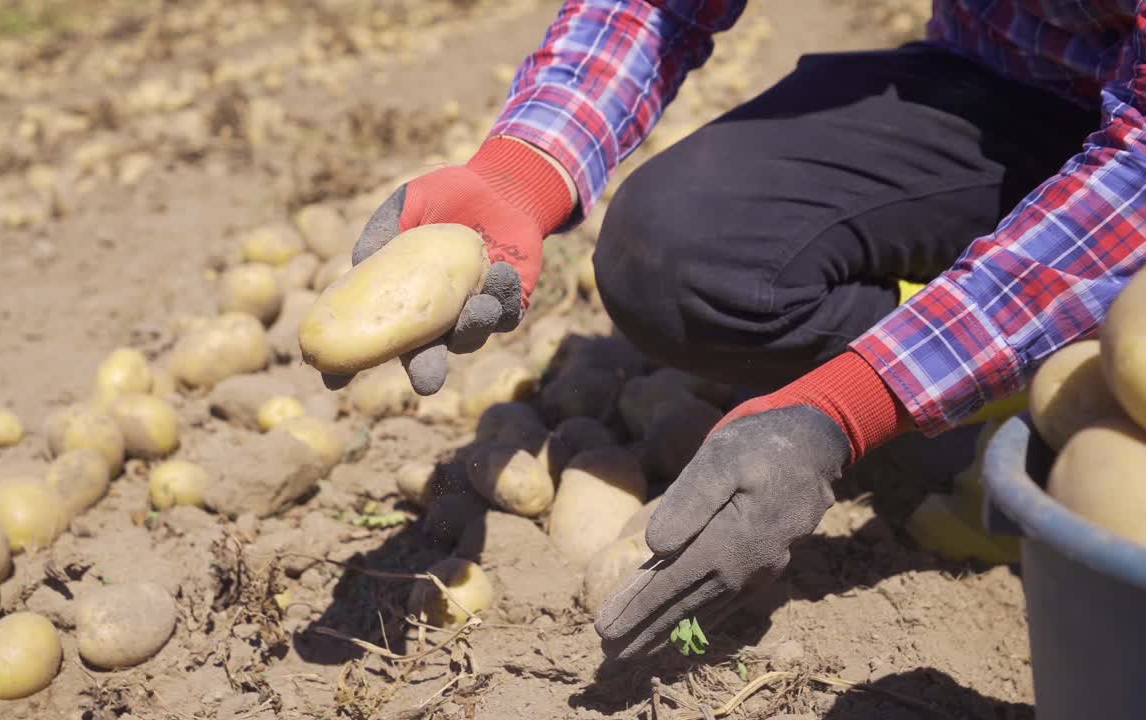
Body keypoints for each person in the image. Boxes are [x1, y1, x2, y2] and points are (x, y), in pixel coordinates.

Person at [336, 1, 1146, 660]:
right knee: (675, 254)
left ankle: (1016, 382)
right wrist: (521, 173)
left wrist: (853, 401)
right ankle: (992, 372)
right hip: (1008, 87)